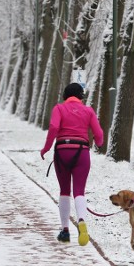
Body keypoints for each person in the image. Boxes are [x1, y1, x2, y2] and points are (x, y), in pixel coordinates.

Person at [40, 83, 104, 246]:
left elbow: (54, 126)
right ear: (81, 96)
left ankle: (65, 230)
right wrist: (99, 142)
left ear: (65, 96)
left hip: (62, 151)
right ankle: (81, 220)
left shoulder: (59, 109)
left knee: (64, 191)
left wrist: (46, 148)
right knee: (79, 191)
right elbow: (99, 133)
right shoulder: (88, 111)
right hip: (81, 151)